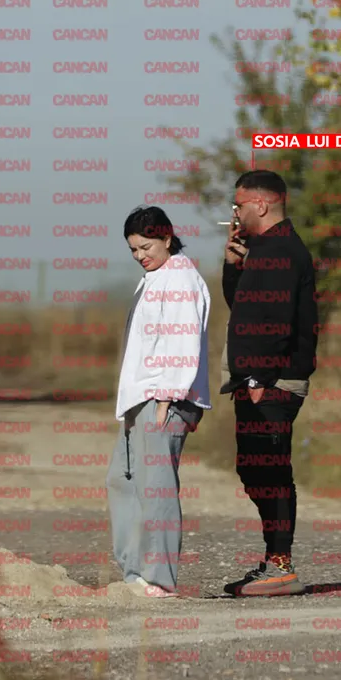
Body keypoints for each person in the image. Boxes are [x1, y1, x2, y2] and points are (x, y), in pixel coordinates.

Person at [220, 170, 318, 596]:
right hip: (257, 379)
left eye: (238, 205)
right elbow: (243, 308)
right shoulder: (264, 250)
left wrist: (260, 378)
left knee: (272, 470)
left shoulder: (282, 250)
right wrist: (233, 266)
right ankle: (273, 560)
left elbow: (277, 322)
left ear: (260, 204)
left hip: (274, 381)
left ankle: (281, 566)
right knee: (253, 468)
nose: (234, 213)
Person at [106, 205, 211, 598]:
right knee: (122, 480)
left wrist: (169, 395)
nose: (140, 255)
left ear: (167, 238)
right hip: (141, 398)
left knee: (157, 489)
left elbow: (184, 338)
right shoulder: (155, 277)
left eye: (146, 247)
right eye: (133, 249)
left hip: (164, 398)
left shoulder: (181, 277)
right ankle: (134, 572)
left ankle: (159, 579)